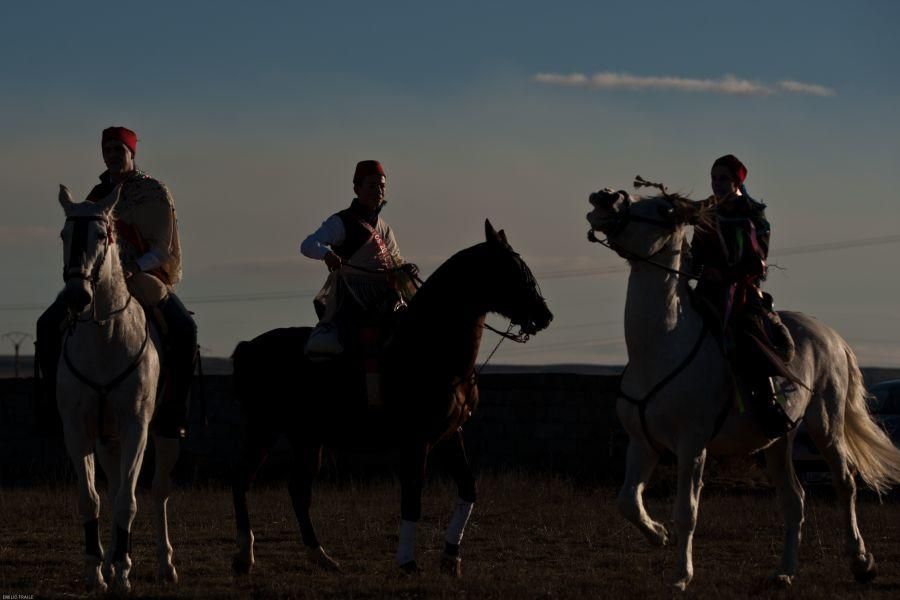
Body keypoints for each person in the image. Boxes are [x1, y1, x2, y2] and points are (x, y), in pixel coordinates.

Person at [35, 126, 197, 438]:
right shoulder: (96, 196)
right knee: (47, 324)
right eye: (107, 150)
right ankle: (55, 406)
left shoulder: (154, 192)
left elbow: (162, 249)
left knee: (185, 328)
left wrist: (134, 267)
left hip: (143, 275)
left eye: (118, 150)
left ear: (131, 153)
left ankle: (173, 411)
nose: (111, 156)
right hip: (98, 279)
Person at [690, 154, 798, 437]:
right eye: (713, 178)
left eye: (723, 178)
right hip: (706, 290)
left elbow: (758, 262)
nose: (716, 184)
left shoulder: (753, 215)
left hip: (741, 291)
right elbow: (696, 255)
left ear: (737, 182)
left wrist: (724, 275)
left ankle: (769, 403)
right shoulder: (706, 213)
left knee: (747, 335)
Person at [300, 160, 417, 363]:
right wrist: (326, 255)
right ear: (357, 189)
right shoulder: (341, 222)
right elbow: (308, 244)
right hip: (352, 297)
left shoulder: (385, 228)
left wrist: (405, 269)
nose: (378, 191)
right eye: (372, 186)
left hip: (385, 296)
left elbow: (396, 261)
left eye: (382, 186)